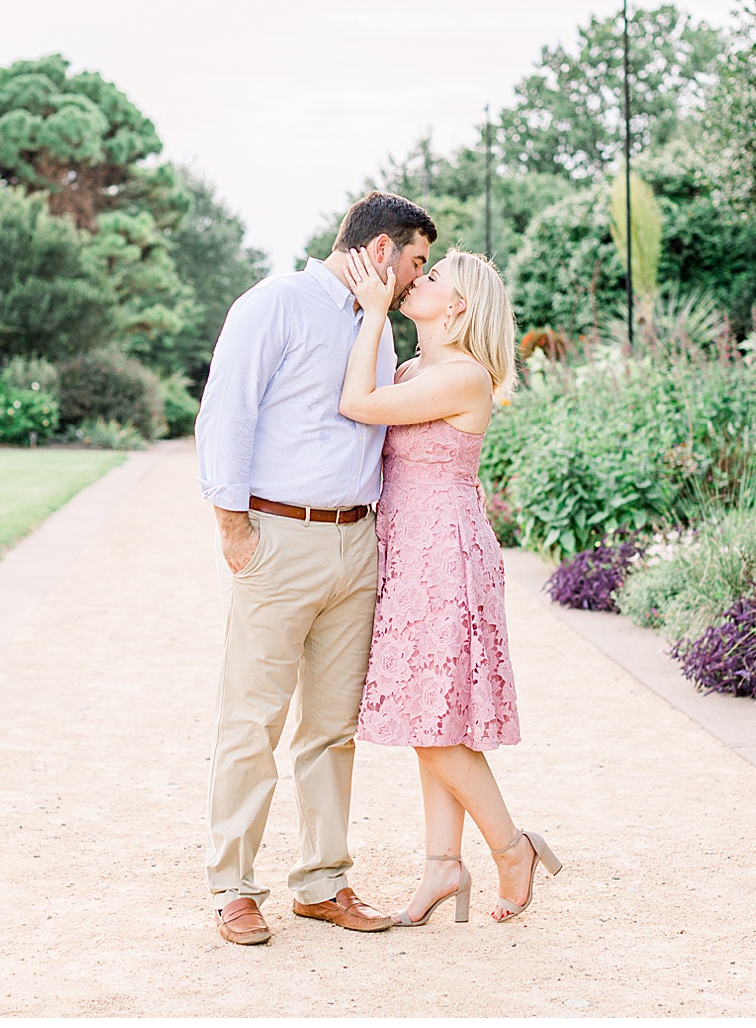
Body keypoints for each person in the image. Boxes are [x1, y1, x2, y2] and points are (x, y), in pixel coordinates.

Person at [194, 191, 435, 946]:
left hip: (355, 543)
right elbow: (226, 412)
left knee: (333, 728)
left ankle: (322, 881)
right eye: (416, 261)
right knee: (252, 719)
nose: (417, 277)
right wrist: (234, 526)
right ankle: (233, 886)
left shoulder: (379, 326)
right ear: (380, 250)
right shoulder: (276, 303)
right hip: (278, 537)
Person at [338, 246, 562, 926]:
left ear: (458, 305)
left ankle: (512, 847)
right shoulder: (414, 370)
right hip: (407, 549)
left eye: (432, 276)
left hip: (443, 555)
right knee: (427, 714)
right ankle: (442, 864)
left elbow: (357, 403)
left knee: (434, 718)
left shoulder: (465, 376)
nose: (418, 278)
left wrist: (373, 311)